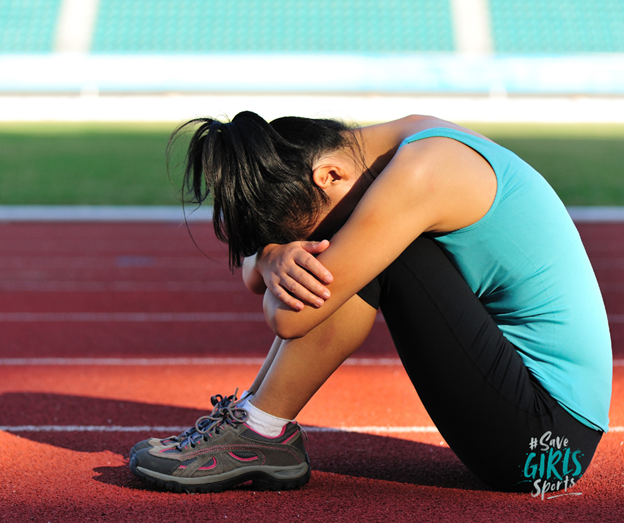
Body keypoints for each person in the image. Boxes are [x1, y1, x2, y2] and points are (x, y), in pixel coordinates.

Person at [129, 111, 612, 496]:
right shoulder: (414, 138)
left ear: (329, 174)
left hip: (545, 447)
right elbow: (258, 274)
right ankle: (258, 419)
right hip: (545, 433)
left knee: (375, 250)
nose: (316, 248)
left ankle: (260, 429)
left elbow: (290, 319)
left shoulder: (423, 174)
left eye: (312, 239)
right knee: (367, 241)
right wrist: (273, 255)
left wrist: (278, 273)